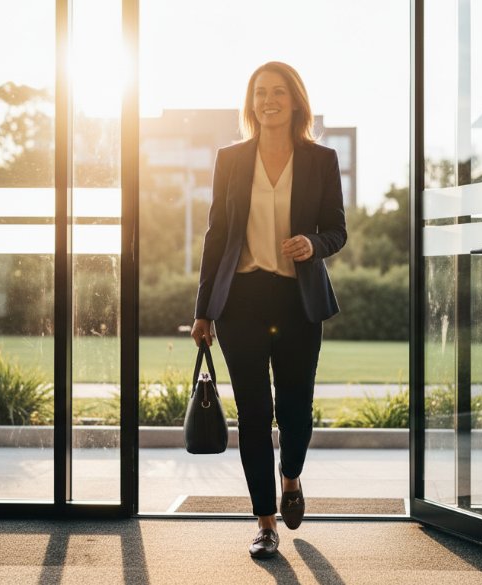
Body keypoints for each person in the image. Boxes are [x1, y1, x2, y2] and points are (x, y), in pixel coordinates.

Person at [190, 61, 347, 559]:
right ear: (251, 101)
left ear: (295, 100)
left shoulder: (321, 159)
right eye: (260, 92)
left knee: (296, 409)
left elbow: (337, 229)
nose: (268, 100)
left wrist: (313, 243)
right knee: (255, 414)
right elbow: (217, 235)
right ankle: (264, 522)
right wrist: (203, 309)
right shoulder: (231, 158)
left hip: (298, 300)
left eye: (278, 92)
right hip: (241, 301)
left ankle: (292, 479)